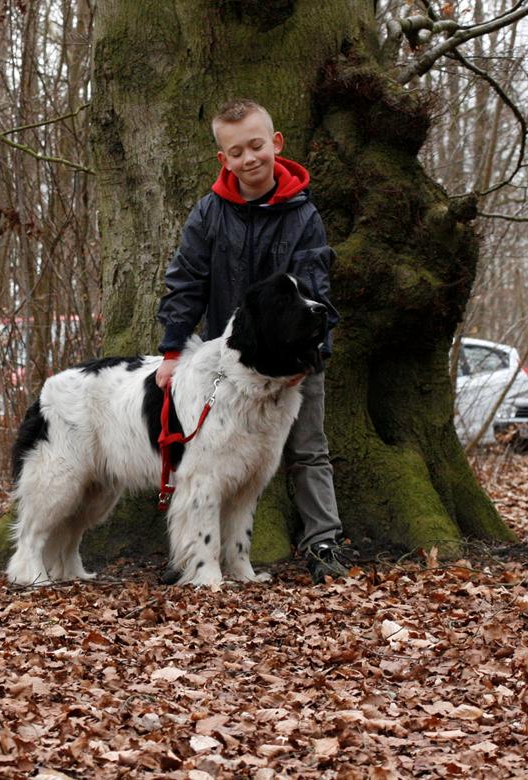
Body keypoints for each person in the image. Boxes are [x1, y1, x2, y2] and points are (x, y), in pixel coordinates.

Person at [155, 98, 352, 583]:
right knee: (206, 456)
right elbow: (186, 284)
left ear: (275, 144)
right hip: (229, 366)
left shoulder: (304, 216)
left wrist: (316, 353)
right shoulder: (209, 213)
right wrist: (173, 349)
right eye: (236, 151)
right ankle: (195, 555)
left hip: (297, 360)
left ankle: (323, 542)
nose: (249, 159)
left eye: (257, 146)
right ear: (224, 159)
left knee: (308, 448)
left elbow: (316, 290)